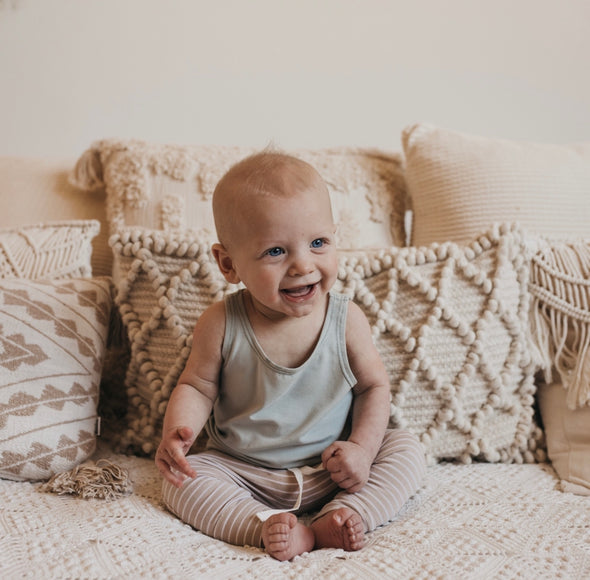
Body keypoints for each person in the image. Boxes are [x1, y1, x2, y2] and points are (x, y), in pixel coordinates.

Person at [155, 151, 426, 561]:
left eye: (318, 243)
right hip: (243, 471)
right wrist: (178, 431)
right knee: (183, 482)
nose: (303, 265)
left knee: (406, 449)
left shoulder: (346, 319)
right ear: (229, 264)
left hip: (332, 470)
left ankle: (338, 518)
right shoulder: (221, 322)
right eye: (276, 252)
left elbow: (374, 387)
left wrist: (362, 451)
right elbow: (196, 385)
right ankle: (263, 524)